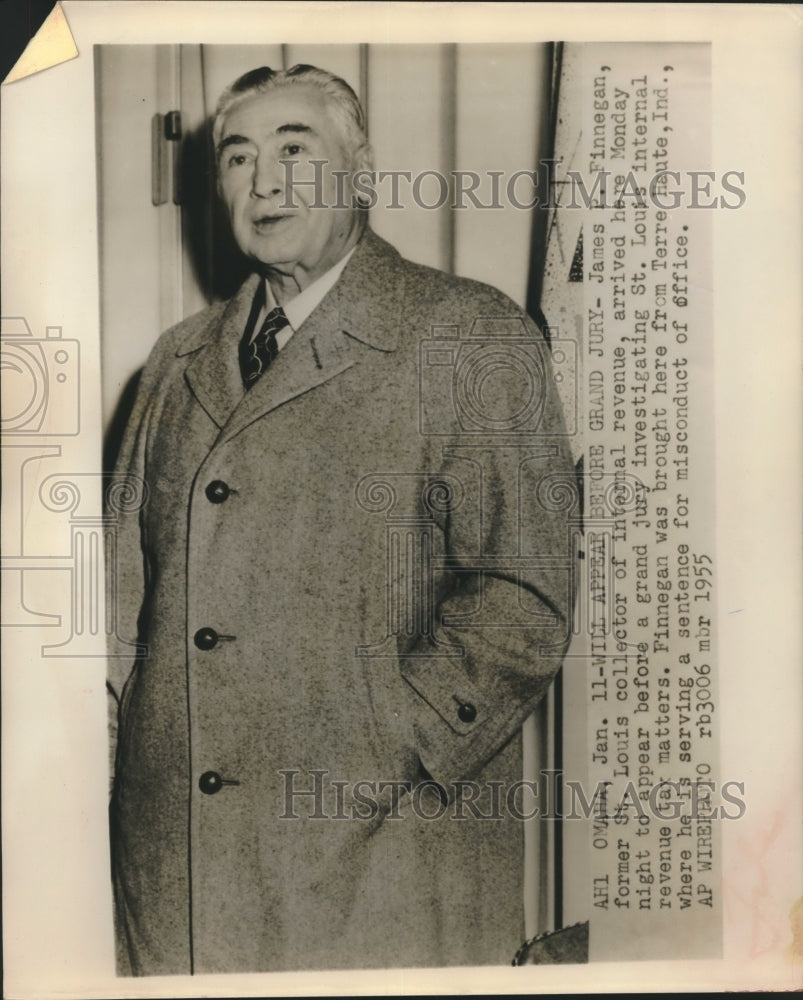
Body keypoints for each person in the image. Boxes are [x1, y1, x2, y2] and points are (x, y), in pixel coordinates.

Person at [108, 62, 577, 976]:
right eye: (238, 158)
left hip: (378, 867)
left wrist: (378, 743)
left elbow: (523, 602)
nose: (264, 180)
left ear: (360, 175)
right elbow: (117, 605)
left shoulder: (469, 335)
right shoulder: (172, 365)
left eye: (296, 149)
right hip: (173, 880)